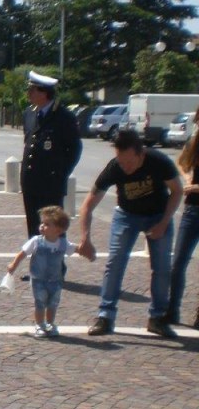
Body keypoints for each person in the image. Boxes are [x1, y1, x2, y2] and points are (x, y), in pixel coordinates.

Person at [79, 129, 182, 338]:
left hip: (157, 214)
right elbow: (88, 204)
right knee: (115, 263)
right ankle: (105, 315)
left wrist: (164, 222)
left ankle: (157, 317)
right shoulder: (114, 168)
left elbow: (177, 190)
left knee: (162, 267)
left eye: (129, 162)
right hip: (126, 215)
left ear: (141, 154)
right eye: (121, 161)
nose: (125, 168)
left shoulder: (158, 161)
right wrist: (85, 238)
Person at [7, 205, 93, 338]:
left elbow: (76, 249)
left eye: (46, 224)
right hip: (38, 280)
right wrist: (13, 265)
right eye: (42, 223)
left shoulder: (63, 243)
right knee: (40, 303)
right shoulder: (36, 241)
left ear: (58, 230)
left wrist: (88, 253)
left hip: (56, 280)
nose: (42, 226)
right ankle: (39, 324)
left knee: (53, 303)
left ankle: (50, 323)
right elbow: (23, 253)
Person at [21, 71, 82, 238]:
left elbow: (75, 149)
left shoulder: (63, 117)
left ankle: (56, 257)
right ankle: (37, 255)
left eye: (32, 90)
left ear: (44, 93)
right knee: (34, 229)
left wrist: (60, 173)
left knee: (54, 229)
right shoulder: (29, 113)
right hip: (30, 182)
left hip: (51, 184)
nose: (29, 93)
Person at [166, 106, 199, 327]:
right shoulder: (195, 141)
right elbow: (180, 162)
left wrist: (195, 187)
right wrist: (188, 178)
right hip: (192, 210)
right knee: (178, 263)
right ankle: (172, 310)